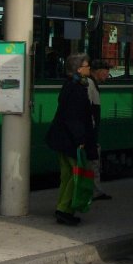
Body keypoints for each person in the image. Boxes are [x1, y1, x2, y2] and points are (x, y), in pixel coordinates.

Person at [45, 53, 97, 226]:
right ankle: (65, 210)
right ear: (79, 69)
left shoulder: (70, 85)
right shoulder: (76, 88)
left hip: (62, 139)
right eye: (87, 65)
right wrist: (80, 139)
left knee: (67, 175)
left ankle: (61, 207)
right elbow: (73, 117)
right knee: (76, 176)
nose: (89, 68)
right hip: (71, 141)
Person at [87, 60, 112, 201]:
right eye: (106, 71)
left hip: (91, 131)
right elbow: (89, 109)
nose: (108, 75)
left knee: (93, 162)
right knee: (93, 161)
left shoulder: (92, 84)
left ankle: (96, 190)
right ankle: (94, 191)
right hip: (91, 132)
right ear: (98, 71)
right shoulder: (90, 84)